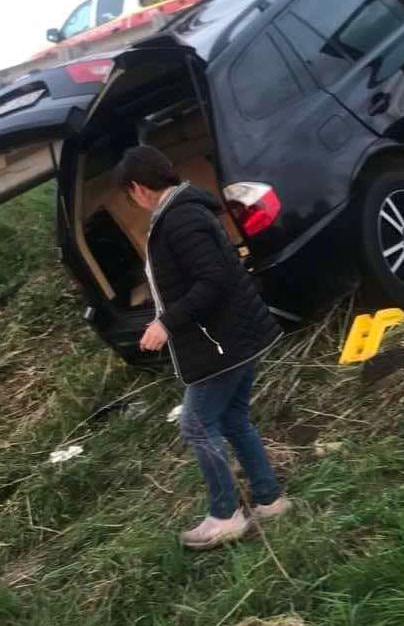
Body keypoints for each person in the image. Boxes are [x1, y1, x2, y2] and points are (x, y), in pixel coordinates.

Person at [117, 145, 289, 550]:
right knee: (233, 419)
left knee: (195, 423)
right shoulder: (185, 212)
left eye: (129, 194)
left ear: (138, 188)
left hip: (222, 342)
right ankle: (269, 500)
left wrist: (167, 323)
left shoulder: (180, 219)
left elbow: (212, 280)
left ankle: (225, 515)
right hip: (234, 336)